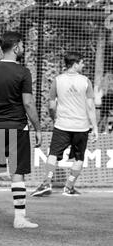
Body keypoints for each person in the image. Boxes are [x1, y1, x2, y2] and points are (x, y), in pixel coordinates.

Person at [0, 31, 42, 229]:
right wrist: (38, 128)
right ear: (16, 47)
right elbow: (29, 103)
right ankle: (19, 218)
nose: (23, 48)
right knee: (17, 173)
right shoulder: (23, 72)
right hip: (17, 128)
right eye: (22, 45)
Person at [31, 52, 98, 197]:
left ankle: (46, 183)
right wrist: (95, 127)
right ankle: (69, 187)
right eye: (81, 63)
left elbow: (51, 105)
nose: (83, 65)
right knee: (79, 158)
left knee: (53, 154)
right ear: (75, 64)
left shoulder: (57, 80)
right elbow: (91, 106)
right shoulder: (86, 81)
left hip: (62, 125)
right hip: (81, 126)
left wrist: (54, 118)